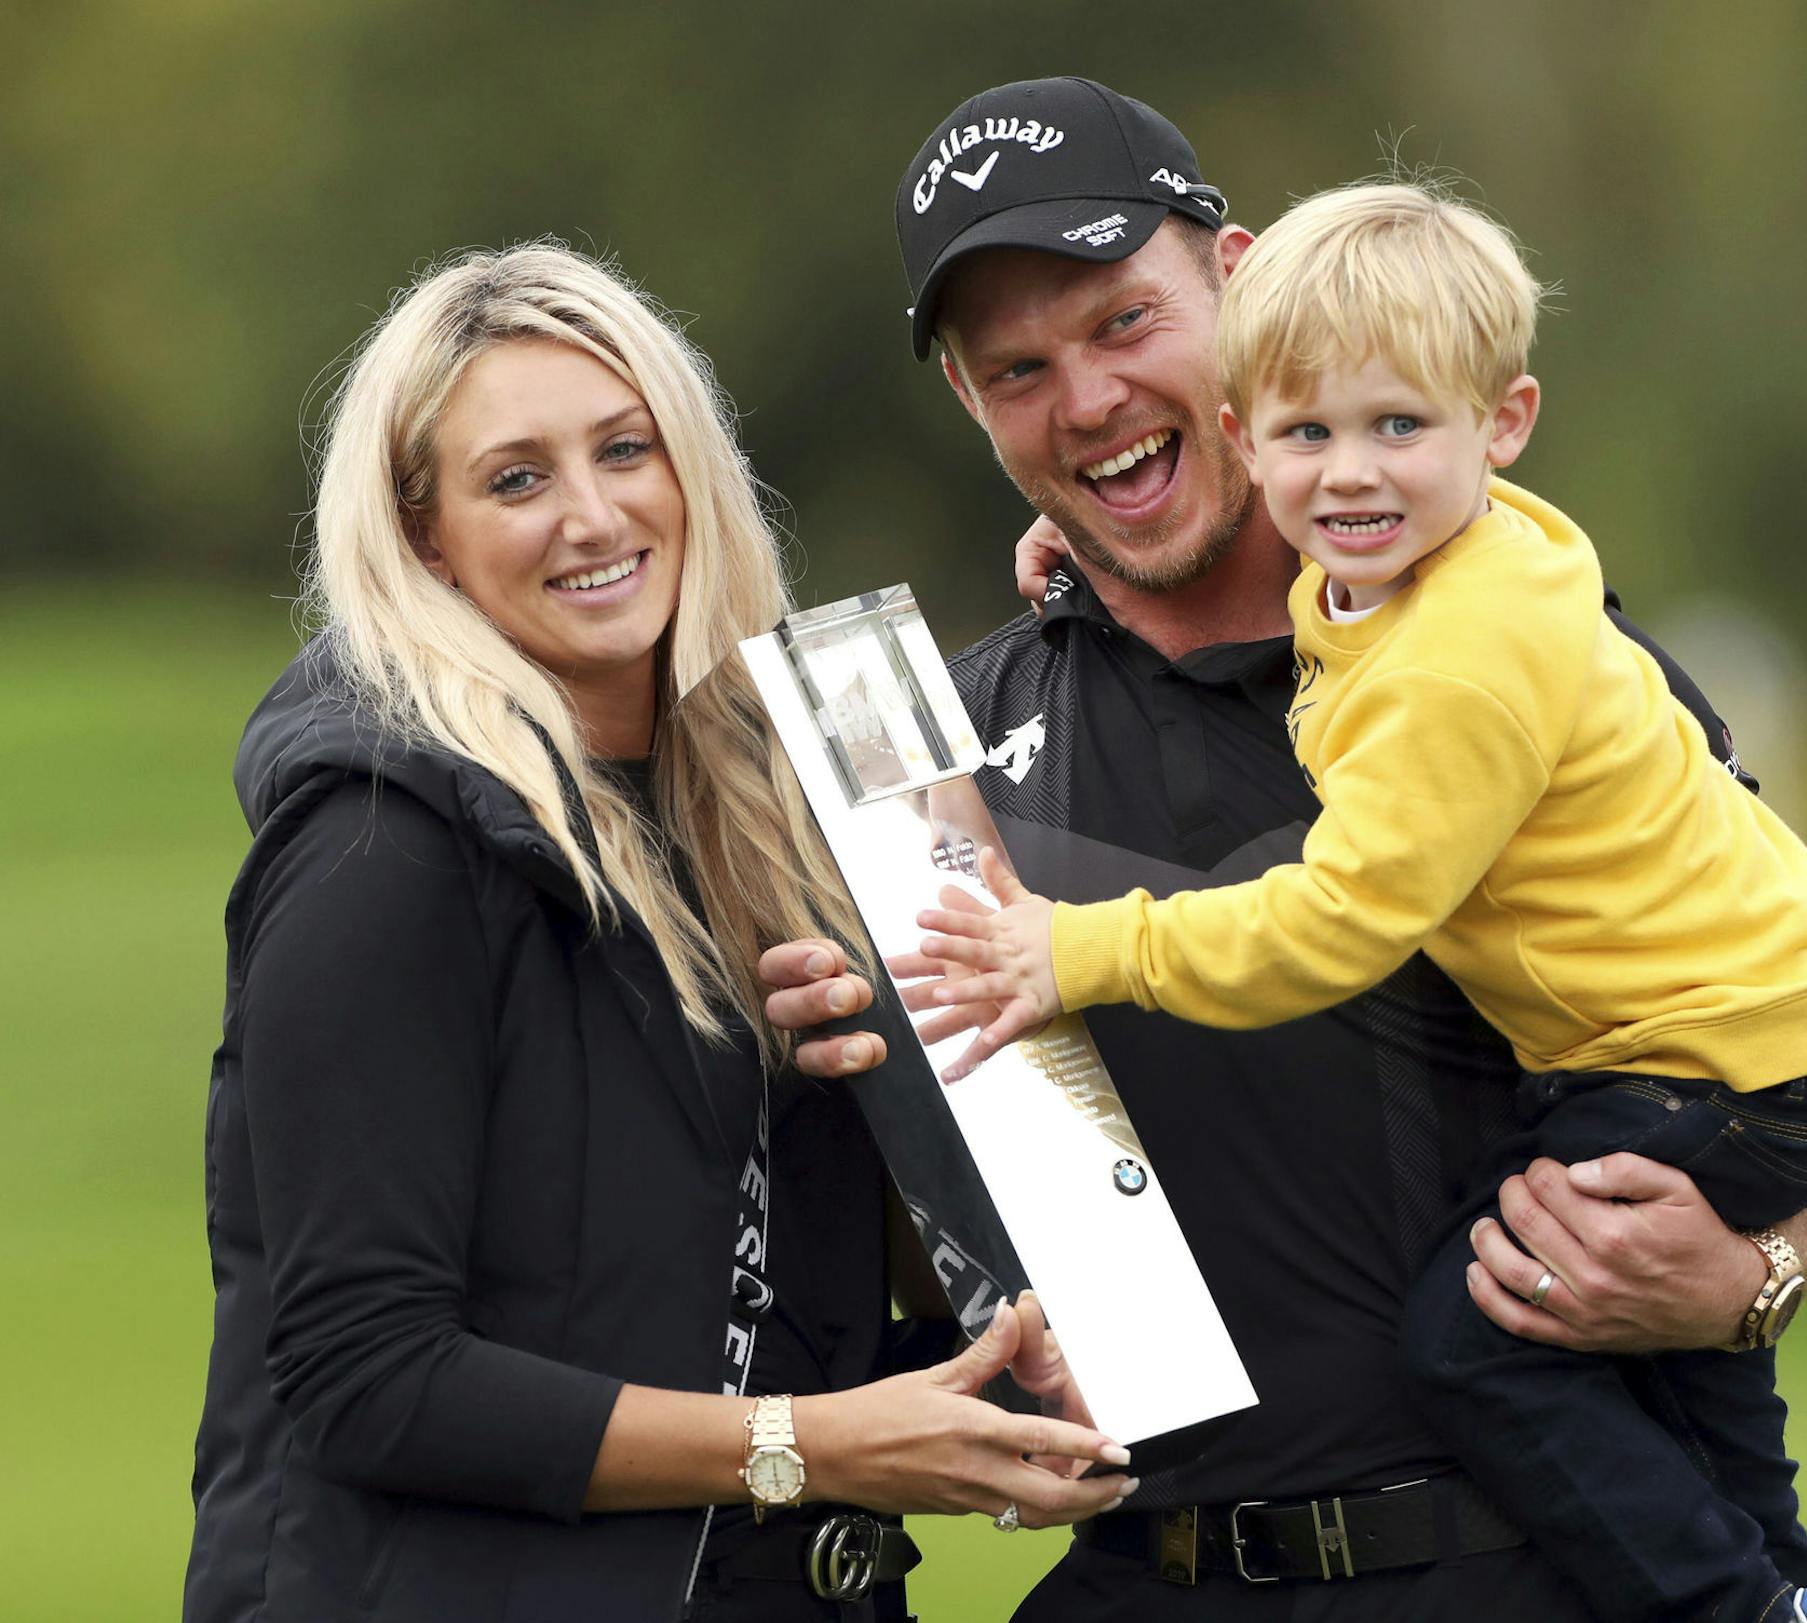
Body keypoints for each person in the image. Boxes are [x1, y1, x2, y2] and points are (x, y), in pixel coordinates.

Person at [768, 77, 1807, 1620]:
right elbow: (931, 1239)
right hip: (1150, 1573)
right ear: (973, 407)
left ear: (1240, 282)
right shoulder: (930, 759)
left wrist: (1749, 1276)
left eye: (1123, 324)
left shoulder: (1513, 650)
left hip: (1527, 1568)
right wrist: (865, 1113)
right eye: (1018, 369)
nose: (1088, 399)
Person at [182, 242, 1136, 1623]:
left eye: (625, 449)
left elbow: (739, 1289)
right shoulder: (378, 846)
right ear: (424, 533)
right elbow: (364, 1379)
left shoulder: (789, 793)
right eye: (517, 478)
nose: (591, 514)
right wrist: (808, 1448)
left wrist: (893, 1136)